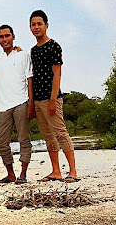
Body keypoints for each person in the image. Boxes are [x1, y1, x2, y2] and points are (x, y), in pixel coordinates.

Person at [29, 9, 79, 183]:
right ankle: (56, 171)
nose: (36, 27)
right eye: (33, 24)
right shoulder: (33, 51)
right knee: (48, 136)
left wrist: (52, 99)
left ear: (46, 26)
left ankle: (72, 171)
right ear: (30, 27)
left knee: (60, 133)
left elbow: (57, 74)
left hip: (52, 98)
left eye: (39, 24)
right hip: (38, 99)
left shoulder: (54, 46)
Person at [0, 24, 33, 184]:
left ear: (13, 36)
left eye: (7, 35)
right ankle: (10, 173)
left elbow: (29, 79)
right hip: (3, 106)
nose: (5, 39)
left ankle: (23, 174)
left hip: (21, 102)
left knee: (23, 139)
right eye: (1, 36)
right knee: (1, 142)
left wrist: (31, 103)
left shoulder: (23, 55)